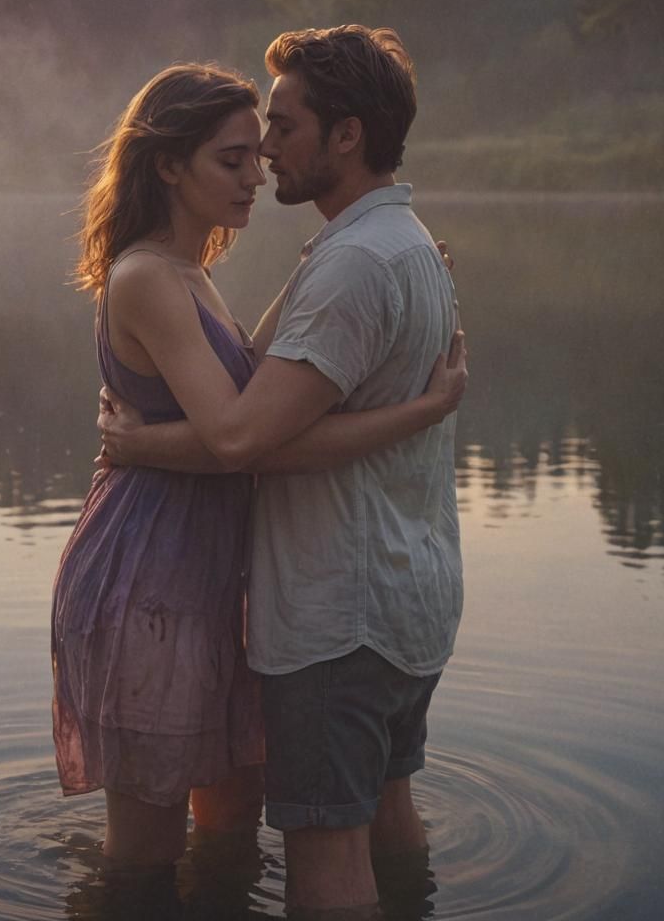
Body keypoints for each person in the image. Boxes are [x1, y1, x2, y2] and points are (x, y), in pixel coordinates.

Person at [51, 60, 466, 873]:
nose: (257, 171)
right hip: (149, 572)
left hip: (215, 573)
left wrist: (383, 262)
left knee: (230, 831)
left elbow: (253, 384)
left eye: (258, 151)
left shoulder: (192, 273)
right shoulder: (146, 277)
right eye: (231, 159)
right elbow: (239, 439)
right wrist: (420, 412)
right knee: (144, 862)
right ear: (169, 166)